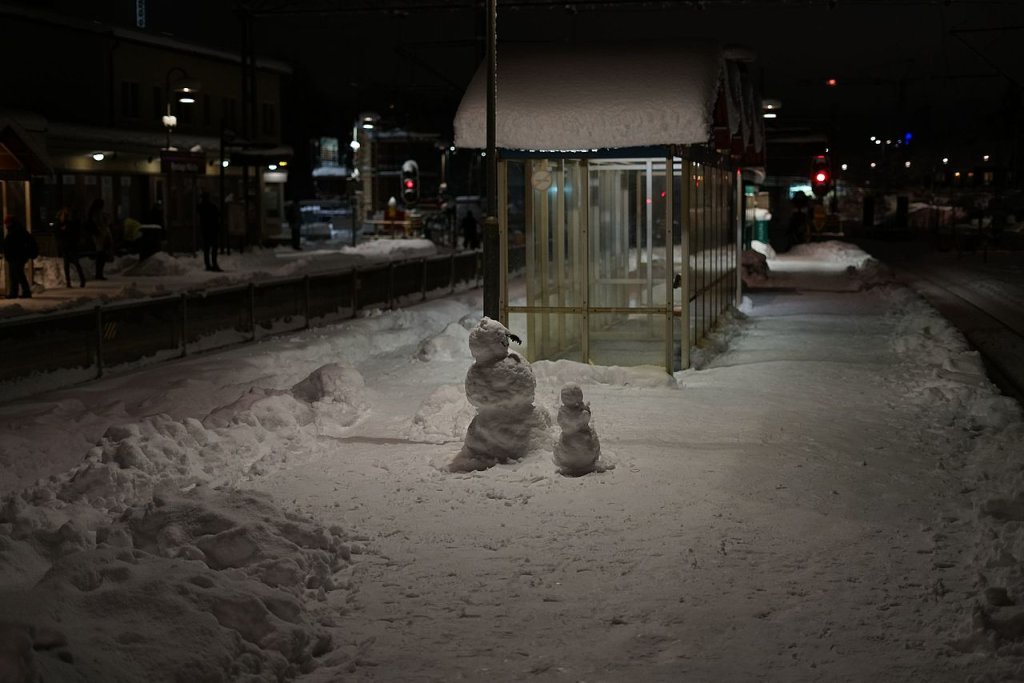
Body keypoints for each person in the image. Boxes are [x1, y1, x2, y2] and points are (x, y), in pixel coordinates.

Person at [2, 215, 36, 298]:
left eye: (7, 223)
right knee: (14, 274)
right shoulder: (16, 230)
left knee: (18, 274)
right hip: (14, 256)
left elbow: (13, 243)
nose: (6, 225)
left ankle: (24, 292)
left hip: (17, 256)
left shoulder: (17, 231)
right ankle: (15, 292)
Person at [55, 207, 86, 288]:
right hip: (65, 246)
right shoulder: (58, 224)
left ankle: (82, 280)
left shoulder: (69, 224)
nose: (63, 217)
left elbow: (73, 234)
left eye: (65, 216)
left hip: (71, 246)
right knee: (66, 265)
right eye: (62, 216)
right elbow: (57, 235)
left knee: (76, 263)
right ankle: (68, 282)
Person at [84, 198, 113, 280]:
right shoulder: (97, 214)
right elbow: (102, 223)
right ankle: (99, 273)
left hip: (99, 235)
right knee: (101, 255)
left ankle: (99, 273)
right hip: (100, 235)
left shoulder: (93, 213)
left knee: (100, 254)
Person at [197, 192, 222, 272]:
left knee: (206, 249)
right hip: (213, 229)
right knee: (214, 248)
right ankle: (214, 264)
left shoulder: (201, 207)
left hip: (205, 230)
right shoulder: (213, 207)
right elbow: (218, 216)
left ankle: (208, 265)